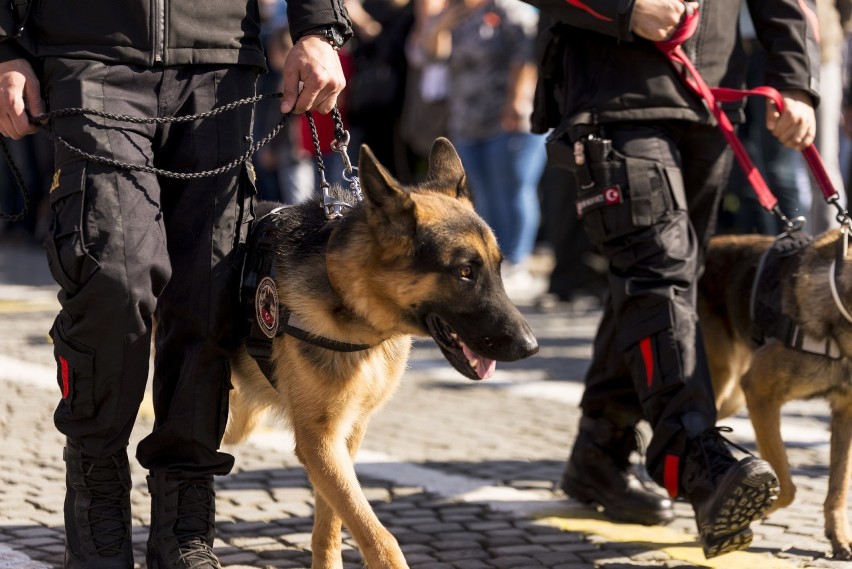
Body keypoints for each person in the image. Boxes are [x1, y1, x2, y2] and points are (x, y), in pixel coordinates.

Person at [0, 2, 351, 568]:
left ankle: (184, 527)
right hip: (91, 55)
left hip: (220, 60)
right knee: (112, 279)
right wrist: (6, 46)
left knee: (208, 297)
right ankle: (97, 510)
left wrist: (317, 29)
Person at [526, 0, 818, 558]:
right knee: (659, 275)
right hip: (615, 94)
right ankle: (696, 460)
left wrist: (795, 81)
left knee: (662, 278)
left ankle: (600, 451)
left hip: (712, 102)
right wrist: (624, 9)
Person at [422, 0, 547, 295]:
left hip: (508, 119)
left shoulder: (508, 9)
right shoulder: (455, 14)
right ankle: (495, 261)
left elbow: (528, 55)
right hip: (467, 123)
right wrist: (439, 26)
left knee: (514, 190)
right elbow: (432, 58)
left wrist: (517, 100)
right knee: (483, 195)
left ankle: (518, 262)